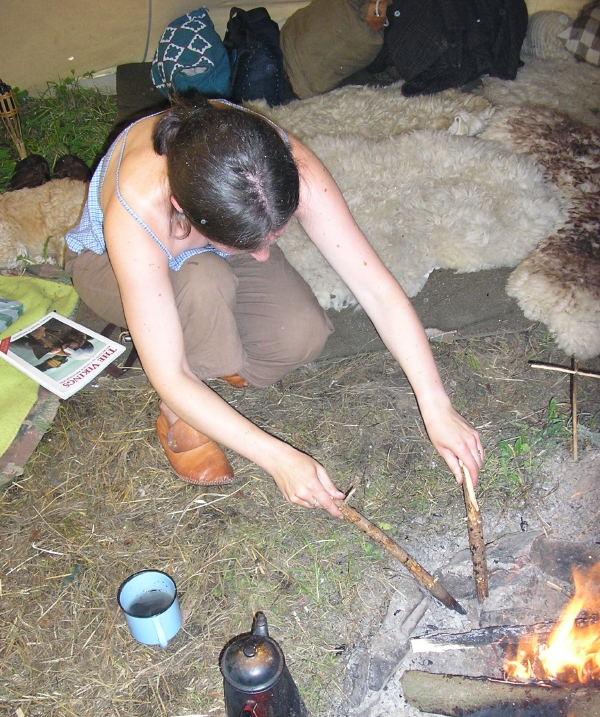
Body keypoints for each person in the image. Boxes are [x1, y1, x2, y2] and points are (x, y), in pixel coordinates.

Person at [65, 96, 484, 519]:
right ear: (183, 209)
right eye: (254, 244)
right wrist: (277, 458)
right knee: (203, 280)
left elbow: (375, 287)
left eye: (275, 236)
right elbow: (169, 374)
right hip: (109, 267)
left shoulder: (272, 160)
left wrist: (436, 405)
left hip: (218, 240)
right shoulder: (136, 209)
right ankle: (183, 408)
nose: (265, 256)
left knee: (298, 335)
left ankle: (210, 346)